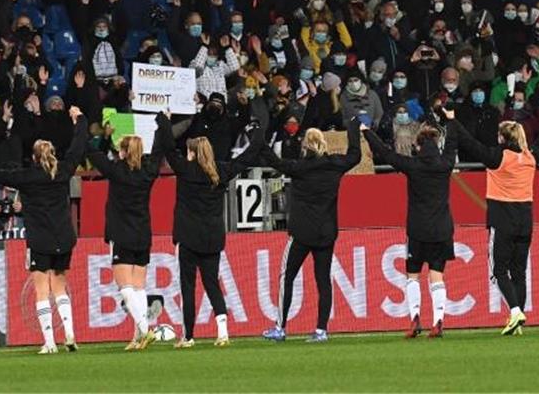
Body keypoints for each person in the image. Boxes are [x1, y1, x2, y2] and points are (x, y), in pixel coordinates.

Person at [0, 106, 88, 354]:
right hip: (64, 236)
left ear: (33, 157)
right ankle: (70, 333)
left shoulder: (27, 177)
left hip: (40, 240)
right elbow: (78, 146)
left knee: (42, 289)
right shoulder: (63, 171)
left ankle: (50, 342)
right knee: (60, 285)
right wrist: (80, 120)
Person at [444, 112, 539, 335]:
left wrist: (451, 120)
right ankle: (518, 321)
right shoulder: (531, 157)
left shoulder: (498, 157)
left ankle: (515, 311)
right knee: (519, 272)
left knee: (498, 270)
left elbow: (469, 142)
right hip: (526, 220)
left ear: (502, 138)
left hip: (502, 219)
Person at [259, 118, 362, 343]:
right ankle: (321, 330)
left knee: (287, 278)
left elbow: (275, 162)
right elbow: (356, 155)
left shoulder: (300, 168)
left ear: (305, 145)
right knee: (323, 281)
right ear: (323, 143)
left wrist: (258, 136)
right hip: (326, 233)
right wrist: (353, 127)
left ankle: (280, 327)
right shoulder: (335, 165)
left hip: (301, 234)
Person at [165, 117, 264, 348]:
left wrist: (164, 122)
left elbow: (168, 148)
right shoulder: (220, 172)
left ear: (191, 153)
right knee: (212, 283)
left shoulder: (186, 171)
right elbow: (249, 156)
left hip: (188, 237)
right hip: (212, 237)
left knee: (188, 287)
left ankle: (188, 336)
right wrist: (258, 132)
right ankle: (222, 332)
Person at [363, 117, 459, 338]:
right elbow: (453, 143)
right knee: (437, 275)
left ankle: (415, 317)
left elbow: (386, 154)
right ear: (437, 145)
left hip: (418, 229)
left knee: (413, 275)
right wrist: (452, 122)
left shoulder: (412, 166)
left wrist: (367, 131)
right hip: (443, 228)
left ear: (417, 146)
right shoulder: (445, 164)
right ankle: (439, 320)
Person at [86, 114, 172, 351]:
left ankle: (145, 329)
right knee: (139, 287)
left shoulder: (116, 171)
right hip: (143, 232)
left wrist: (100, 135)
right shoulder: (149, 171)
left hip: (121, 233)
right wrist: (162, 123)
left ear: (122, 152)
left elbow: (92, 154)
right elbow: (159, 150)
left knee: (124, 287)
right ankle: (138, 337)